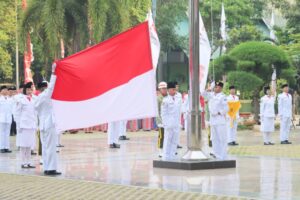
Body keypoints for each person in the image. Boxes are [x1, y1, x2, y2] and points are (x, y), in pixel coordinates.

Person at [34, 63, 61, 175]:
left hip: (43, 125)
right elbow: (52, 87)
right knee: (50, 147)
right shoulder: (45, 95)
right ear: (44, 88)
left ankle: (47, 167)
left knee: (46, 147)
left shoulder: (38, 98)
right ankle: (51, 168)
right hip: (49, 124)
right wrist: (54, 73)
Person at [202, 81, 228, 160]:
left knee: (222, 139)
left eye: (217, 87)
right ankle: (216, 154)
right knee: (214, 138)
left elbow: (226, 108)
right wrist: (209, 88)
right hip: (213, 121)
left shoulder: (223, 97)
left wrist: (219, 112)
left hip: (220, 120)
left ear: (220, 88)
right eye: (215, 87)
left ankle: (223, 156)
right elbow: (203, 93)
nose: (215, 88)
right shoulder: (211, 95)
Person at [15, 82, 37, 168]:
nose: (29, 91)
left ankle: (28, 162)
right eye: (28, 89)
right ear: (25, 90)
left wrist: (36, 124)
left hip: (31, 125)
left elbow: (36, 113)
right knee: (23, 145)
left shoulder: (34, 99)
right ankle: (23, 162)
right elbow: (17, 113)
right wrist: (18, 125)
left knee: (29, 145)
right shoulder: (20, 99)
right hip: (23, 125)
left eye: (31, 89)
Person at [161, 82, 181, 160]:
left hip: (176, 123)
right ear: (168, 90)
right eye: (172, 89)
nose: (174, 91)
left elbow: (179, 111)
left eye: (174, 89)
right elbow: (163, 114)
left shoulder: (178, 99)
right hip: (169, 124)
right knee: (167, 141)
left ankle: (172, 156)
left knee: (174, 141)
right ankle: (165, 157)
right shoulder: (165, 100)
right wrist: (166, 124)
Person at [0, 86, 13, 153]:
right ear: (1, 91)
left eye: (6, 90)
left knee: (7, 133)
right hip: (1, 118)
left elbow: (12, 109)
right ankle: (1, 147)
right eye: (4, 89)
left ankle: (6, 147)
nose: (5, 91)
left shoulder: (10, 99)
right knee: (1, 133)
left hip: (8, 118)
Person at [156, 82, 168, 157]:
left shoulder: (167, 97)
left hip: (168, 121)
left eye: (165, 88)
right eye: (163, 88)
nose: (164, 90)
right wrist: (160, 121)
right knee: (161, 136)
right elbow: (157, 111)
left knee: (167, 136)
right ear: (160, 89)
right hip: (161, 121)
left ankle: (166, 150)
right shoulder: (158, 98)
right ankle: (160, 151)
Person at [174, 81, 183, 149]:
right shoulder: (170, 95)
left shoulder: (179, 95)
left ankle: (177, 143)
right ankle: (173, 144)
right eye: (176, 86)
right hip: (172, 116)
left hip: (178, 115)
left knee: (177, 130)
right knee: (172, 131)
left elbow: (181, 105)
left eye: (177, 86)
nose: (177, 87)